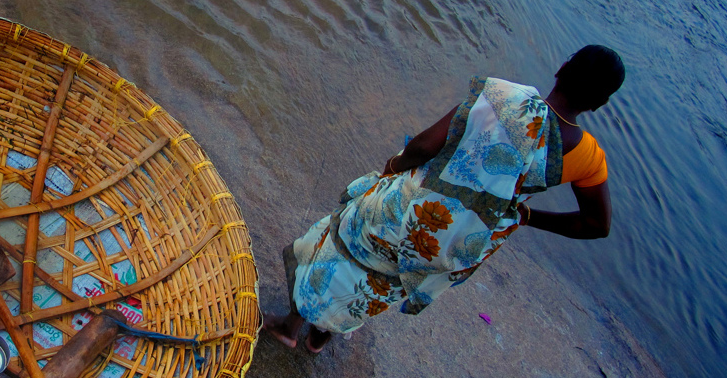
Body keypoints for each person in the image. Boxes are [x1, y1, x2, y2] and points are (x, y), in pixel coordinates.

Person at [265, 45, 626, 353]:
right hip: (453, 238)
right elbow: (596, 224)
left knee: (344, 246)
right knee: (384, 279)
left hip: (415, 206)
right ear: (601, 102)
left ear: (563, 68)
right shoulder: (588, 157)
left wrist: (394, 165)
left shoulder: (503, 97)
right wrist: (525, 215)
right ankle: (319, 336)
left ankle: (289, 328)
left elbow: (424, 146)